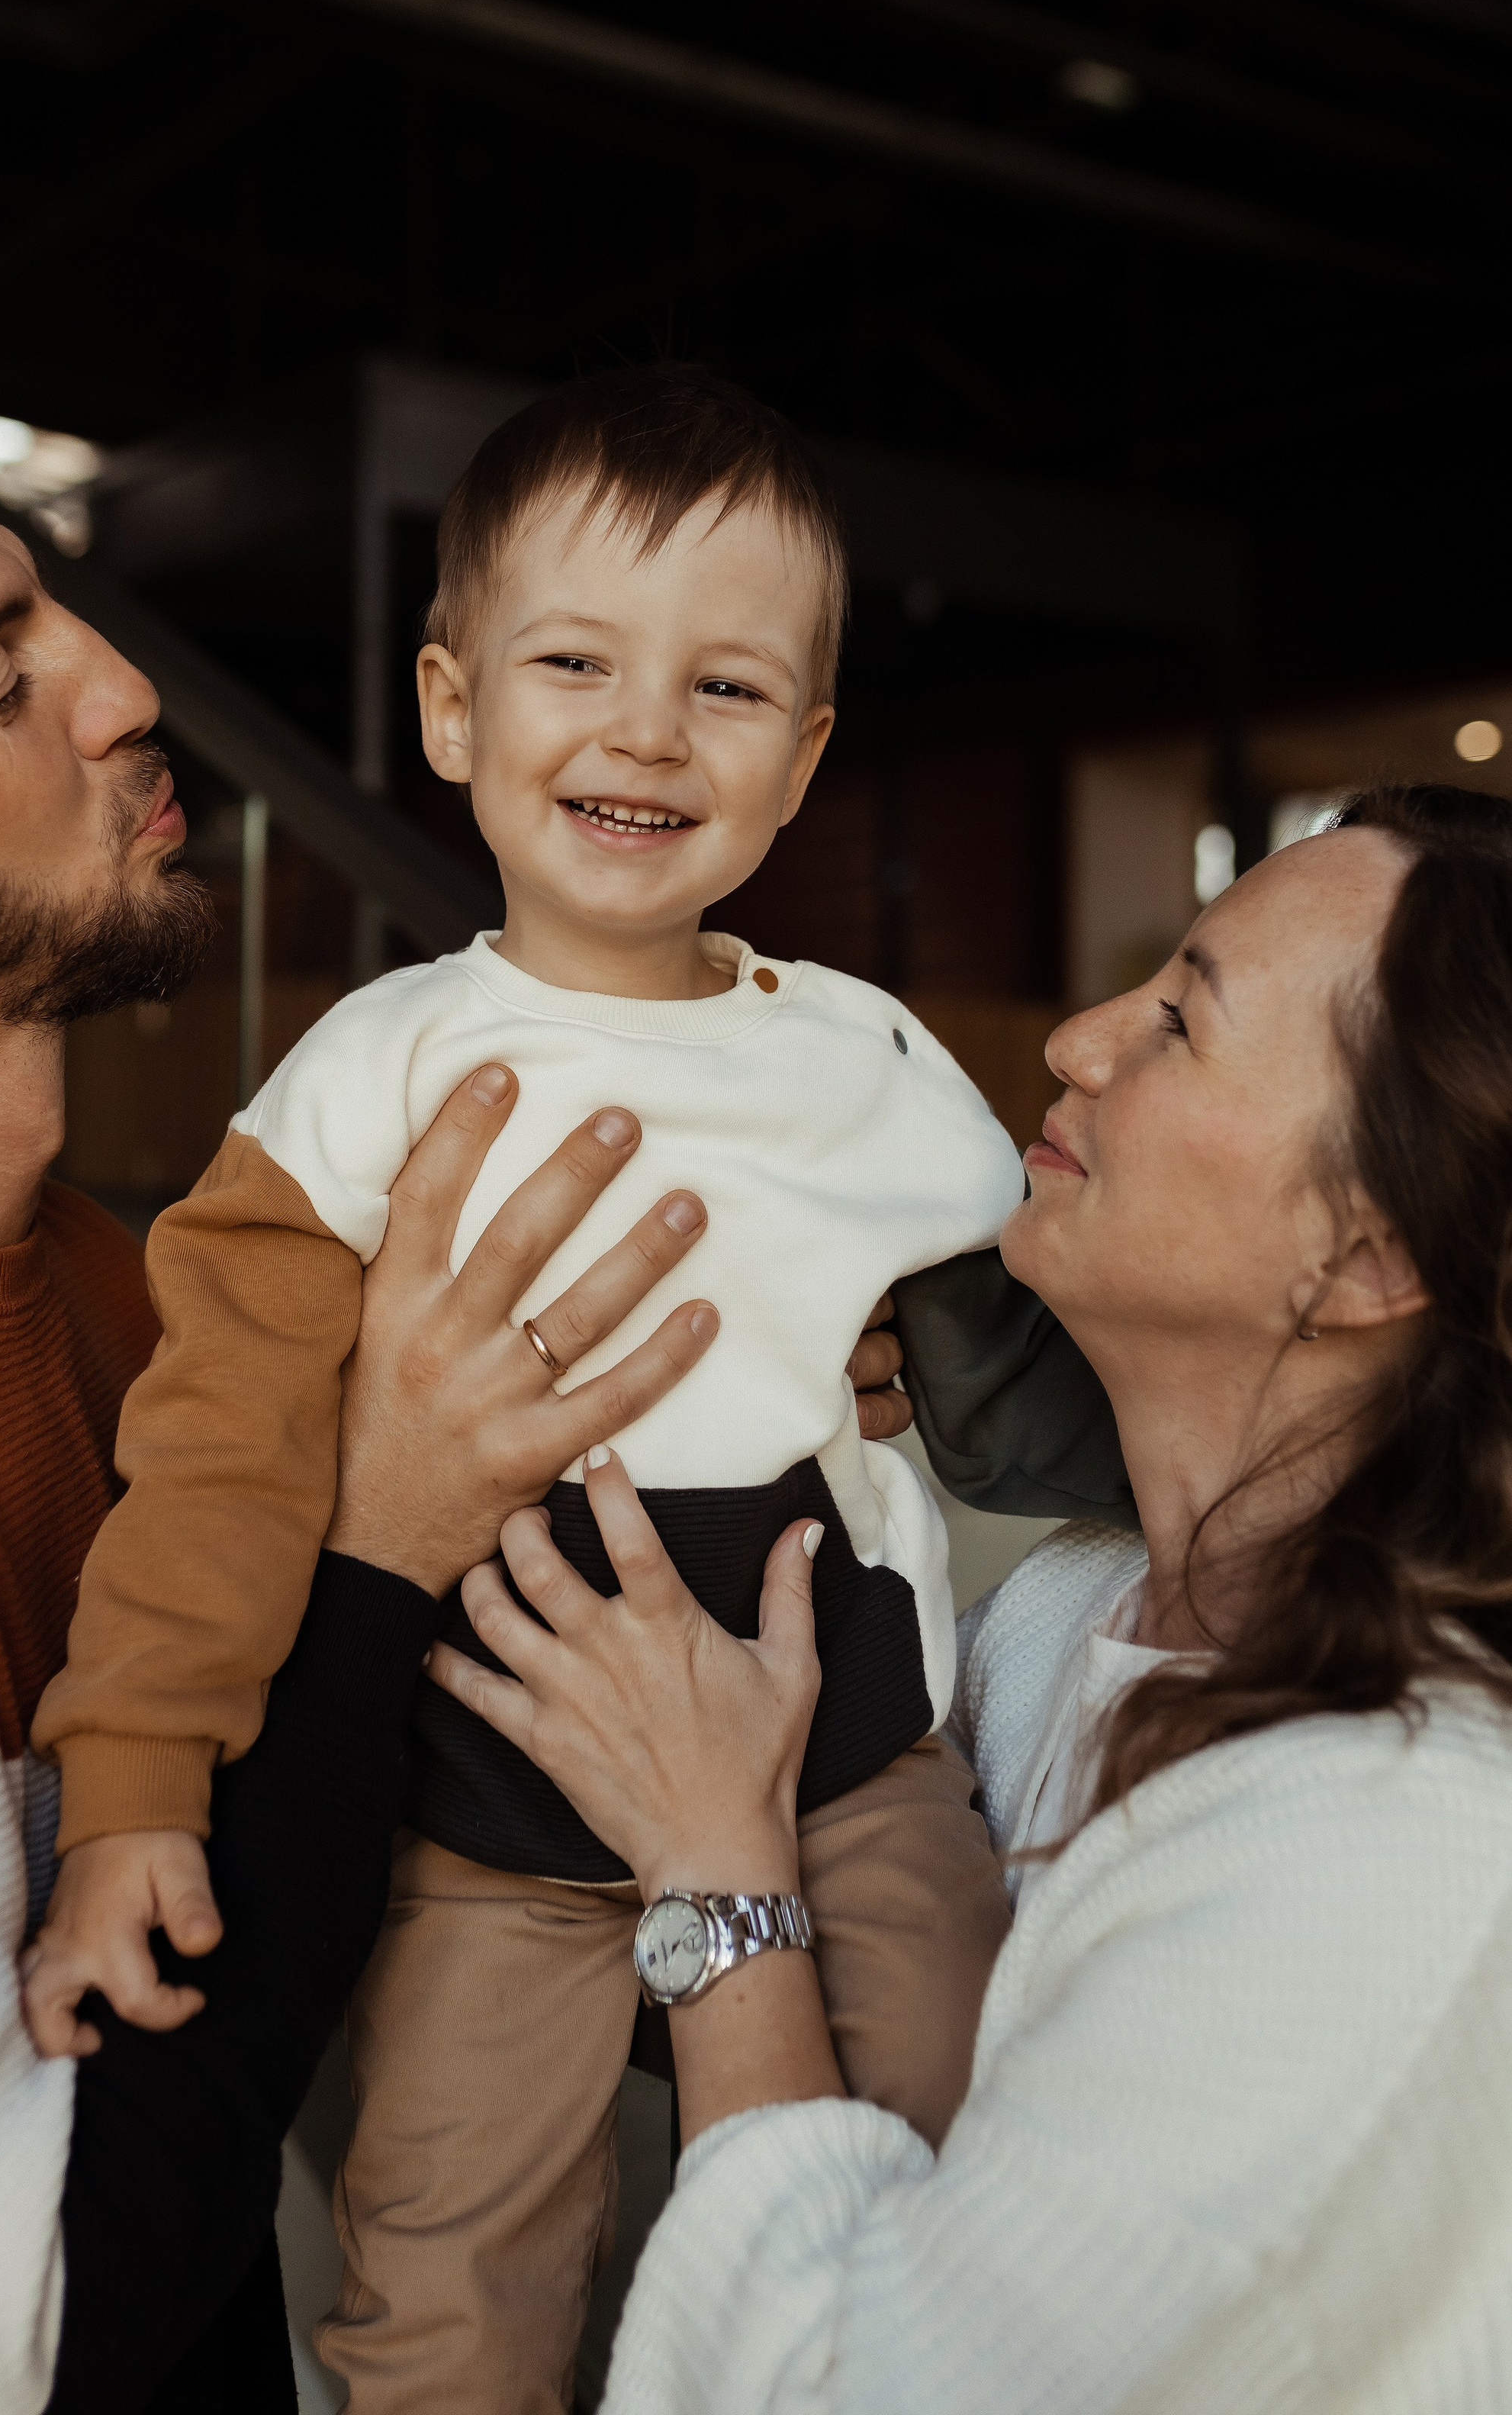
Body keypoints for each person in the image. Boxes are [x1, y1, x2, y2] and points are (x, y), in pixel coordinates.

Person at [0, 395, 729, 2415]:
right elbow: (39, 2319)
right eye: (4, 679)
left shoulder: (120, 1286)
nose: (120, 691)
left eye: (59, 618)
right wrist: (373, 1549)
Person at [22, 367, 1116, 2410]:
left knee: (963, 2159)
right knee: (447, 2280)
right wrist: (132, 1793)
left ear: (801, 760)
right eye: (576, 662)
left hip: (842, 1761)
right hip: (477, 1797)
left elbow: (1043, 1388)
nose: (645, 729)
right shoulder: (364, 1082)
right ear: (450, 711)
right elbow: (212, 1467)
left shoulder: (875, 1066)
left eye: (725, 687)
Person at [427, 782, 1512, 2413]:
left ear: (1366, 1259)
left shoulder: (1397, 1866)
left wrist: (717, 1866)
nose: (1078, 1040)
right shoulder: (1066, 1613)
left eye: (1179, 1023)